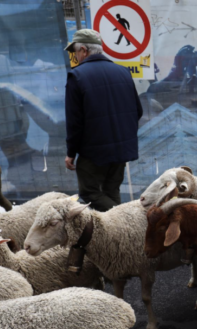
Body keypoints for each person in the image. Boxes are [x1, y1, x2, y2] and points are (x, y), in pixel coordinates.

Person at [64, 29, 142, 212]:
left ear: (83, 50)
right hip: (121, 148)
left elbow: (75, 122)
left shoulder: (77, 76)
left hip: (93, 151)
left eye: (75, 52)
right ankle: (116, 238)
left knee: (89, 192)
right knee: (111, 191)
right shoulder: (123, 72)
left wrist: (71, 153)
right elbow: (137, 111)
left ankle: (127, 223)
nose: (76, 56)